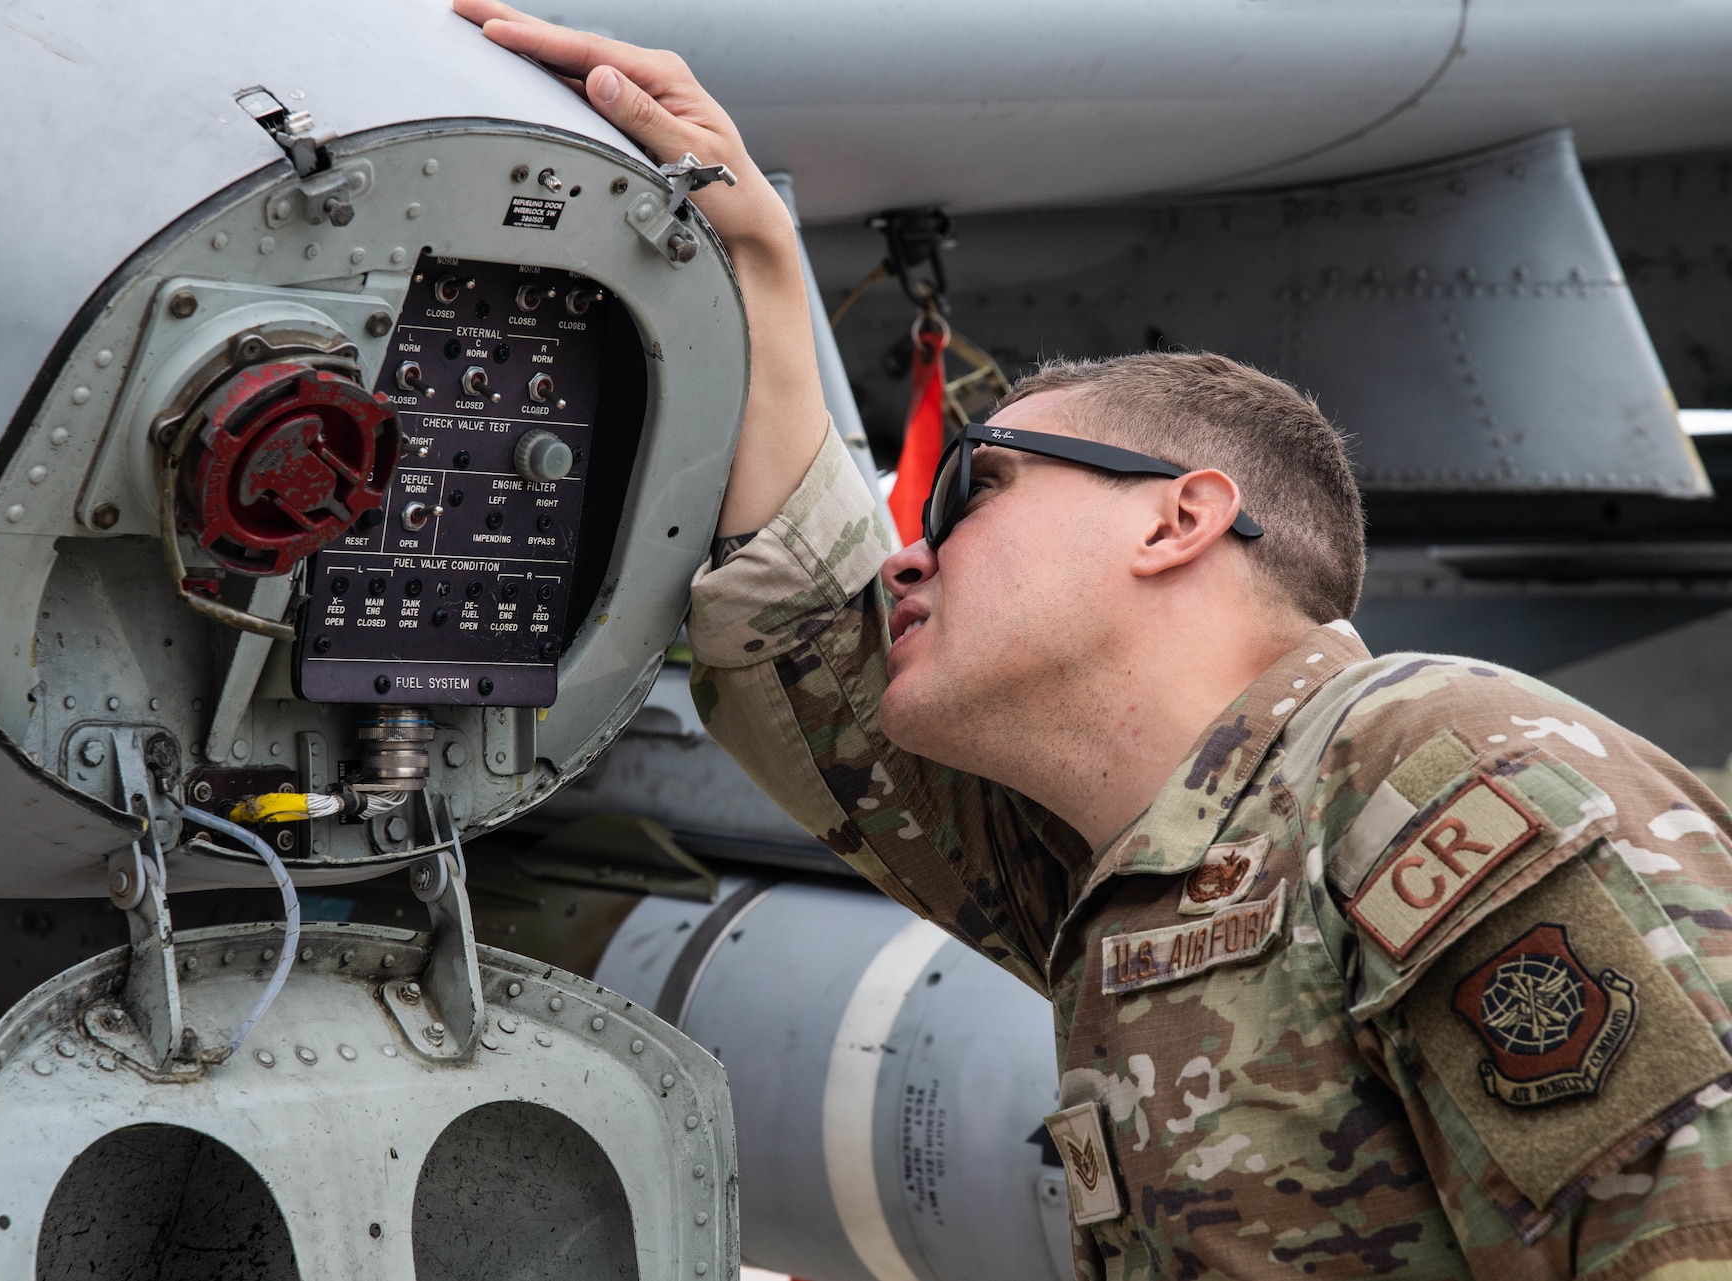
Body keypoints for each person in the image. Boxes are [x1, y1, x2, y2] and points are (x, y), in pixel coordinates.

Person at [457, 5, 1732, 1276]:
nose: (912, 547)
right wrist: (754, 260)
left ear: (1178, 519)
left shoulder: (1433, 772)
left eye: (975, 491)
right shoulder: (1144, 872)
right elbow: (815, 658)